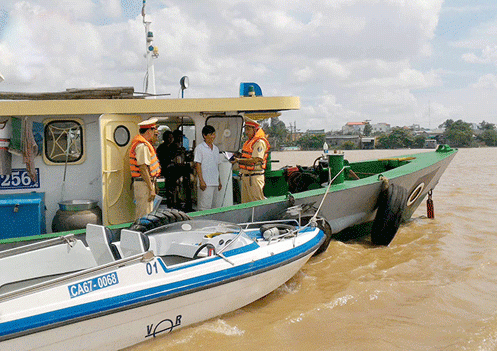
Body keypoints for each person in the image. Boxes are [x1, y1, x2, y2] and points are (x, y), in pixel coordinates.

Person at [231, 117, 270, 203]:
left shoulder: (259, 142)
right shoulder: (248, 142)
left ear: (255, 130)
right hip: (246, 177)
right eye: (245, 129)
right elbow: (247, 156)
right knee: (245, 203)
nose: (246, 132)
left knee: (257, 203)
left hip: (254, 178)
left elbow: (255, 160)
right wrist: (238, 156)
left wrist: (238, 160)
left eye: (248, 129)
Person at [129, 118, 161, 219]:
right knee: (144, 215)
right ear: (148, 131)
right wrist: (151, 189)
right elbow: (143, 168)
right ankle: (140, 233)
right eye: (153, 130)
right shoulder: (142, 146)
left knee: (147, 212)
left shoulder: (143, 144)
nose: (154, 133)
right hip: (143, 184)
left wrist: (153, 185)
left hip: (145, 183)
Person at [194, 125, 222, 210]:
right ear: (204, 135)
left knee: (215, 207)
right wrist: (201, 181)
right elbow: (197, 164)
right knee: (205, 207)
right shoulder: (199, 148)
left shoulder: (216, 149)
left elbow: (216, 166)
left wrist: (219, 181)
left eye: (214, 134)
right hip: (206, 183)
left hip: (215, 183)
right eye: (211, 134)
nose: (213, 136)